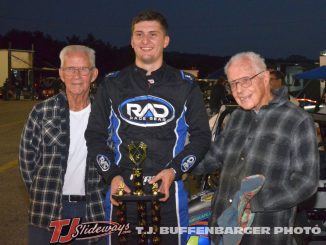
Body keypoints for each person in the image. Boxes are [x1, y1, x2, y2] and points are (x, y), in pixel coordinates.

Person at [85, 10, 211, 244]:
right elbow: (94, 135)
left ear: (165, 40)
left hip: (168, 193)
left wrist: (174, 170)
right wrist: (111, 175)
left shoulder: (186, 85)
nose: (145, 41)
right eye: (139, 34)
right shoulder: (112, 84)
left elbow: (202, 137)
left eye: (153, 34)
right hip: (121, 191)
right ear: (132, 41)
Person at [195, 51, 319, 244]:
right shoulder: (236, 117)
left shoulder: (297, 120)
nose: (238, 90)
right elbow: (212, 157)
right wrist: (176, 163)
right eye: (233, 83)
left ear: (265, 77)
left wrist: (254, 203)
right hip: (222, 230)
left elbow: (306, 182)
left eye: (245, 80)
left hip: (263, 235)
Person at [19, 45, 106, 244]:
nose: (76, 75)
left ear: (93, 74)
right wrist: (44, 192)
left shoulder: (105, 116)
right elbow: (27, 163)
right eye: (70, 69)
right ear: (61, 73)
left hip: (92, 210)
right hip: (48, 210)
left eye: (83, 69)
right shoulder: (41, 112)